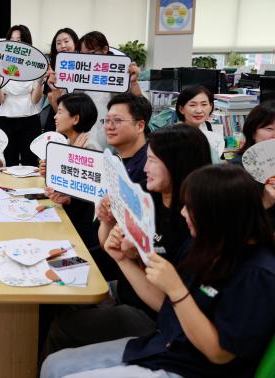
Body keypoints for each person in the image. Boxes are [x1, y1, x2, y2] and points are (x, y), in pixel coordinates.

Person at [41, 165, 275, 378]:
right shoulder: (202, 243)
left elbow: (218, 353)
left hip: (192, 368)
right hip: (163, 347)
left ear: (220, 214)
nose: (183, 213)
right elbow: (164, 304)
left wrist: (176, 290)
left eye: (191, 208)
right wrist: (122, 259)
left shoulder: (258, 274)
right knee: (54, 365)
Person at [41, 124, 213, 363]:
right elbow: (108, 246)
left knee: (62, 326)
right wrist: (106, 221)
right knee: (47, 274)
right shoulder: (146, 196)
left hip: (148, 314)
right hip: (121, 285)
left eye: (152, 160)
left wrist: (126, 258)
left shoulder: (190, 220)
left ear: (176, 163)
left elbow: (165, 302)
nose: (144, 167)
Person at [41, 93, 99, 244]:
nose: (55, 117)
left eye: (60, 112)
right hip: (68, 215)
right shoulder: (67, 143)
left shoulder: (89, 148)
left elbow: (88, 200)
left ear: (76, 119)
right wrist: (49, 175)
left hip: (82, 231)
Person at [77, 31, 142, 148]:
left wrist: (133, 83)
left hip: (113, 139)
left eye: (91, 53)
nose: (87, 59)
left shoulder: (120, 74)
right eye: (83, 55)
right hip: (86, 139)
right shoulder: (79, 77)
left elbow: (141, 107)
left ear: (104, 49)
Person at [0, 24, 44, 166]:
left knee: (30, 161)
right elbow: (0, 99)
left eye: (19, 40)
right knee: (8, 161)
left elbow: (34, 100)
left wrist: (39, 82)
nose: (15, 44)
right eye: (12, 40)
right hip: (6, 119)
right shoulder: (0, 64)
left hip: (30, 119)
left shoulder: (35, 64)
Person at [229, 101, 275, 229]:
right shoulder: (235, 170)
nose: (274, 135)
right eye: (269, 128)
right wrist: (265, 201)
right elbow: (231, 222)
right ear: (253, 132)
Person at [42, 28, 81, 132]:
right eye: (58, 43)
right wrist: (54, 89)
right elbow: (53, 102)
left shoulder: (86, 67)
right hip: (57, 123)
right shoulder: (52, 69)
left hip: (81, 122)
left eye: (66, 41)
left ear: (75, 42)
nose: (63, 45)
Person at [176, 85, 225, 159]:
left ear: (211, 107)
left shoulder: (214, 139)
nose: (199, 110)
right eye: (192, 105)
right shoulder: (171, 138)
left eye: (204, 104)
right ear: (181, 109)